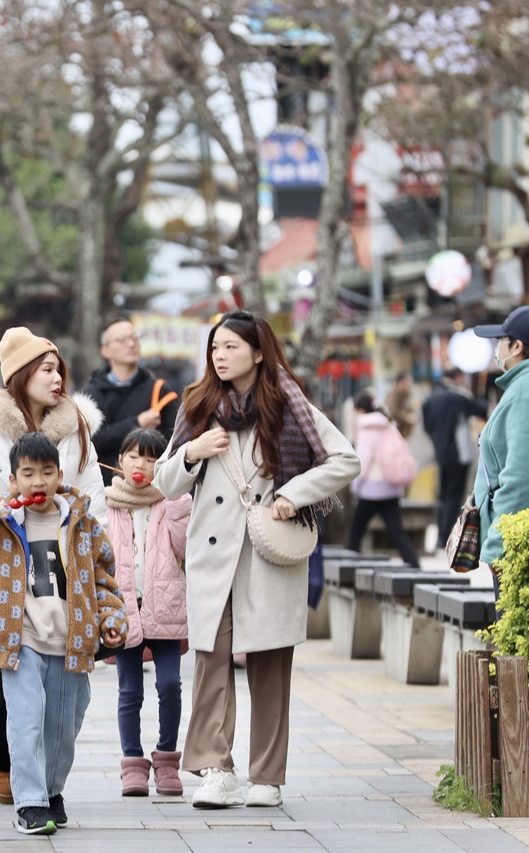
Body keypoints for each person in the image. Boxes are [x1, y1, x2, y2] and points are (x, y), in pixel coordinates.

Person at [154, 310, 358, 809]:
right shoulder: (198, 406)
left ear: (259, 352)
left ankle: (267, 776)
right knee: (211, 661)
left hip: (267, 553)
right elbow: (164, 482)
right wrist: (193, 451)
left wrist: (294, 492)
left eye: (230, 347)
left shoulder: (290, 406)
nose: (220, 356)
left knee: (270, 663)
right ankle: (216, 770)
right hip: (213, 554)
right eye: (215, 347)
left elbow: (345, 459)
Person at [0, 326, 105, 806]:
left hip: (63, 573)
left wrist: (96, 561)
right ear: (21, 374)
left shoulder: (76, 427)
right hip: (8, 571)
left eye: (59, 370)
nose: (57, 378)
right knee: (5, 679)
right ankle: (4, 759)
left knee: (64, 690)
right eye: (46, 369)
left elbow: (94, 498)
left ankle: (46, 777)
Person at [0, 432, 127, 835]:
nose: (38, 481)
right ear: (13, 480)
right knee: (25, 720)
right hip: (20, 639)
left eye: (46, 472)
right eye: (27, 474)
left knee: (63, 728)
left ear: (60, 475)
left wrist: (112, 620)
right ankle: (29, 802)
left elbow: (104, 579)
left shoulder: (81, 523)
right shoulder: (2, 521)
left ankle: (50, 792)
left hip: (70, 641)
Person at [106, 428, 192, 798]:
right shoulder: (108, 504)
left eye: (152, 458)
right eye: (134, 455)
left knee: (170, 686)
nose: (141, 464)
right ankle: (132, 765)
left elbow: (185, 547)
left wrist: (178, 501)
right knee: (130, 691)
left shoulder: (170, 501)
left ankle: (167, 761)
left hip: (166, 609)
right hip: (125, 613)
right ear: (120, 460)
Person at [470, 306, 529, 591]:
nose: (497, 348)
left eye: (502, 340)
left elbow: (523, 478)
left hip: (526, 547)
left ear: (517, 346)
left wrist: (499, 546)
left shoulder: (528, 391)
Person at [83, 318, 181, 486]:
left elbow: (175, 441)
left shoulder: (159, 390)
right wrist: (137, 423)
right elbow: (90, 441)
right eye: (122, 339)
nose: (131, 344)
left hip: (149, 489)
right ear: (105, 351)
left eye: (135, 337)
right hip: (102, 488)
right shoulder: (91, 393)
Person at [346, 392, 421, 567]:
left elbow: (362, 462)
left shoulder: (366, 428)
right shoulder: (388, 425)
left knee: (356, 531)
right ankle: (414, 565)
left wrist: (355, 486)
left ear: (361, 410)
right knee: (396, 531)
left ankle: (348, 567)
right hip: (391, 487)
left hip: (370, 490)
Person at [421, 367, 489, 545]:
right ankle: (446, 536)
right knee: (454, 496)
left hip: (440, 453)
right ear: (458, 377)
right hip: (458, 454)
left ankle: (440, 537)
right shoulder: (457, 396)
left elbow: (426, 426)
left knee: (442, 496)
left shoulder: (431, 398)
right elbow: (482, 409)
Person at [383, 372, 417, 439]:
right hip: (394, 432)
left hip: (400, 431)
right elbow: (393, 411)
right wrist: (407, 417)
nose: (409, 383)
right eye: (407, 381)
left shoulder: (403, 394)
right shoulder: (393, 395)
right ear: (401, 382)